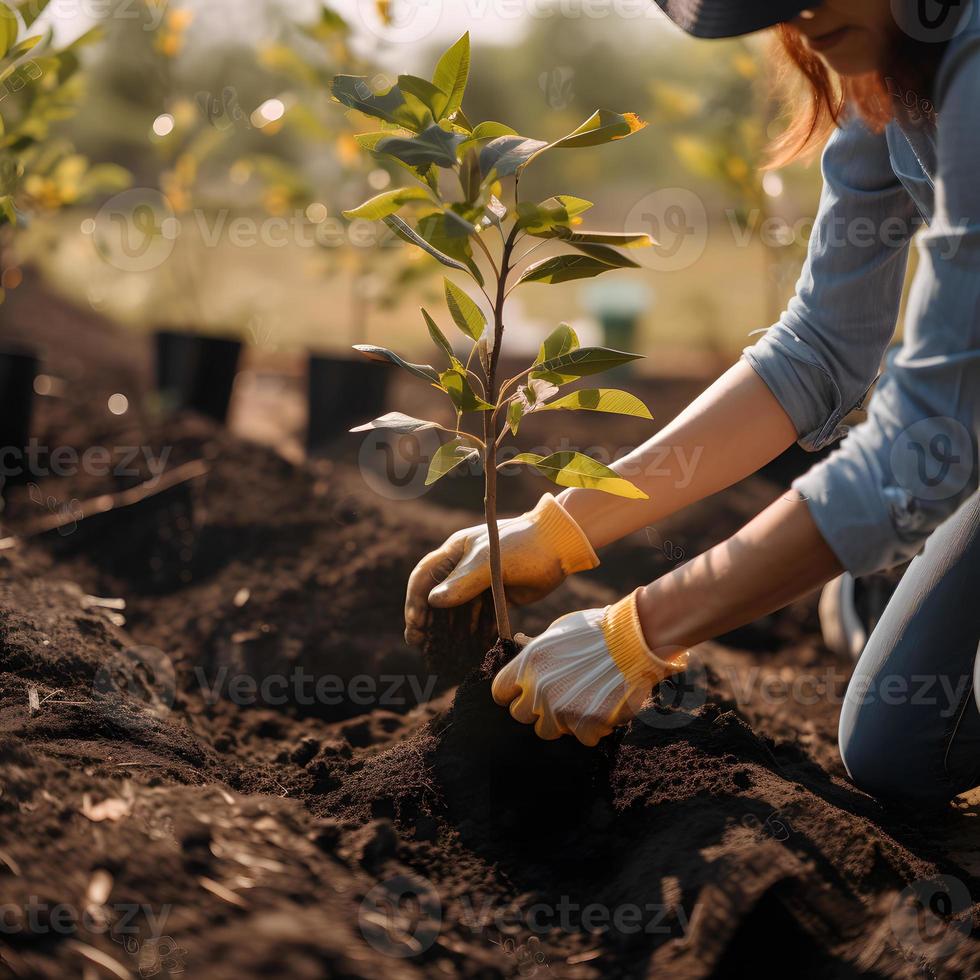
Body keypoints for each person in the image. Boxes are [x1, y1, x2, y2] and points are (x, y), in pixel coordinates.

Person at [404, 0, 979, 808]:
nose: (802, 18)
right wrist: (564, 526)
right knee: (900, 746)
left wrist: (639, 632)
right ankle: (877, 583)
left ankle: (886, 568)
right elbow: (819, 348)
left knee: (907, 738)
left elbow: (926, 440)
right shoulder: (886, 77)